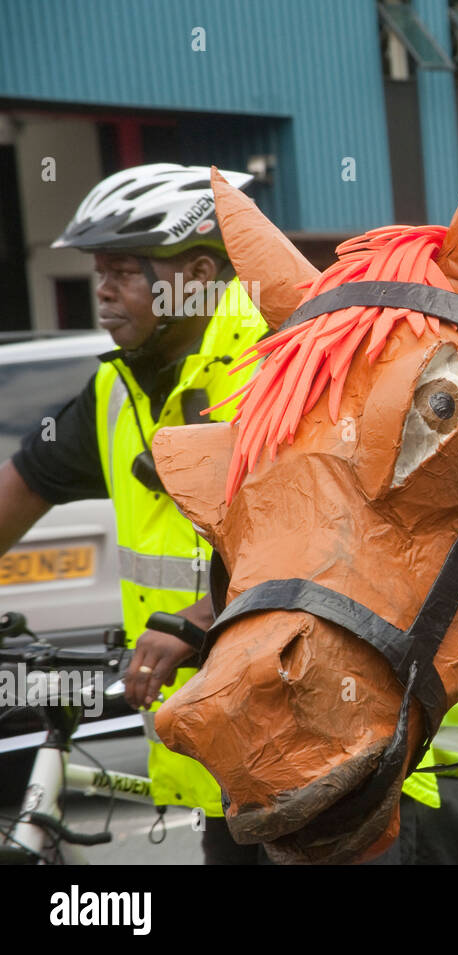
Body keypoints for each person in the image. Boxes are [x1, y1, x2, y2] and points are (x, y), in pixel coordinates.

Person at [0, 163, 268, 861]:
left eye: (122, 269)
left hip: (323, 749)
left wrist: (205, 617)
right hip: (216, 752)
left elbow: (339, 536)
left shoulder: (278, 362)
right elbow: (22, 484)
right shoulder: (116, 390)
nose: (103, 291)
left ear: (198, 272)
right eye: (98, 273)